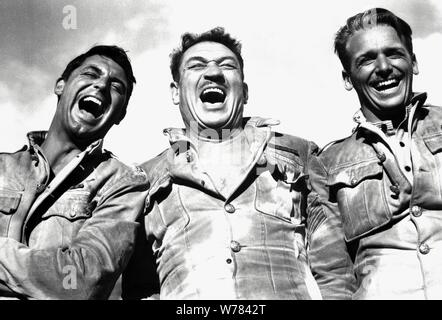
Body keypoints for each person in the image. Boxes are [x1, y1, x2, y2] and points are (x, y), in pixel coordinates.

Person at [122, 27, 322, 299]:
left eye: (227, 66)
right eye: (197, 66)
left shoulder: (299, 153)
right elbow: (140, 289)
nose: (214, 73)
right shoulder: (145, 179)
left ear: (246, 91)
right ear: (176, 92)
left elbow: (332, 266)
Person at [309, 8, 442, 299]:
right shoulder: (326, 165)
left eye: (393, 53)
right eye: (367, 59)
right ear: (348, 78)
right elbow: (332, 274)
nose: (383, 67)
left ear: (414, 62)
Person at [0, 45, 148, 299]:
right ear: (60, 86)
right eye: (90, 74)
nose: (101, 86)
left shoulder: (124, 184)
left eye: (116, 86)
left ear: (121, 114)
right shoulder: (3, 167)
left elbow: (79, 282)